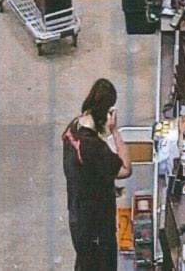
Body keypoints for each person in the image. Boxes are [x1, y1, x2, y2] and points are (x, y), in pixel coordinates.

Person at [62, 79, 132, 271]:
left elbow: (83, 171)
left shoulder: (72, 129)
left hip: (78, 216)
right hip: (97, 226)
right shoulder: (93, 146)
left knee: (85, 263)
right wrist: (114, 131)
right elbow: (126, 168)